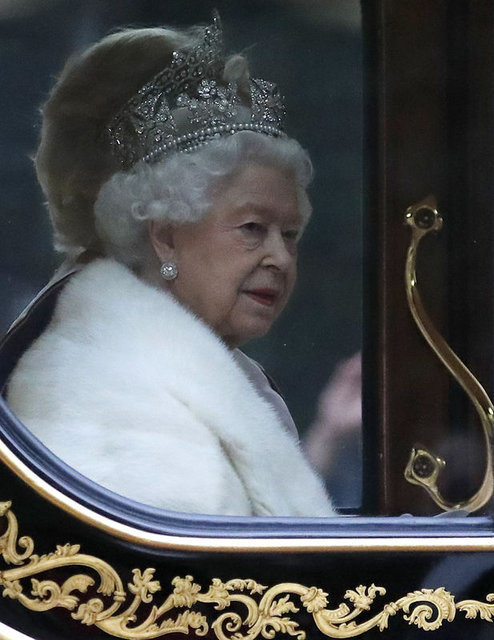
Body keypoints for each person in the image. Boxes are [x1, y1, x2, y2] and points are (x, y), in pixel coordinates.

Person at [4, 16, 335, 517]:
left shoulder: (229, 374)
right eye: (252, 228)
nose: (281, 257)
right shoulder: (99, 378)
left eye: (290, 234)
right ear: (165, 236)